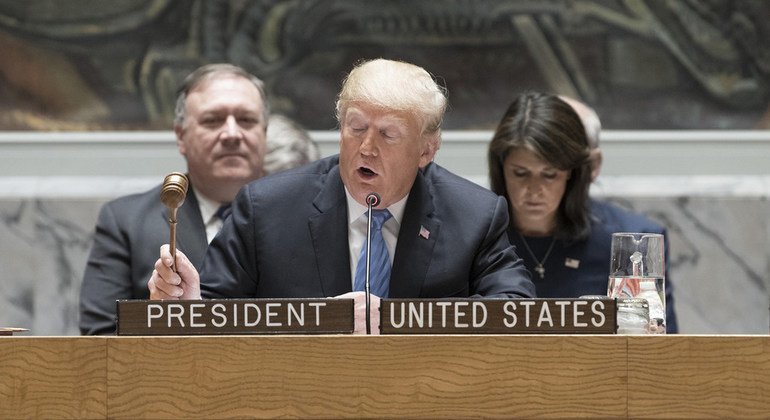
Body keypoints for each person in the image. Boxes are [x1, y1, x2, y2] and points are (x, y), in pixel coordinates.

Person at [148, 58, 536, 334]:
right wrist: (189, 308)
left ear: (426, 150)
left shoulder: (474, 214)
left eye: (388, 134)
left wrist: (397, 320)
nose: (366, 147)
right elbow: (213, 312)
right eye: (356, 127)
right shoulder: (267, 208)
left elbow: (515, 307)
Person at [79, 63, 271, 335]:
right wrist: (158, 317)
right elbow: (99, 339)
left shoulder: (299, 216)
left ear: (264, 133)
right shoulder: (126, 222)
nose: (231, 134)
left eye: (247, 120)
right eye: (212, 120)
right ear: (181, 136)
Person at [487, 91, 678, 333]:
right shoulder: (476, 237)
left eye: (550, 175)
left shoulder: (633, 245)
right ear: (501, 168)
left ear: (572, 174)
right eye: (521, 173)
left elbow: (661, 349)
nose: (534, 190)